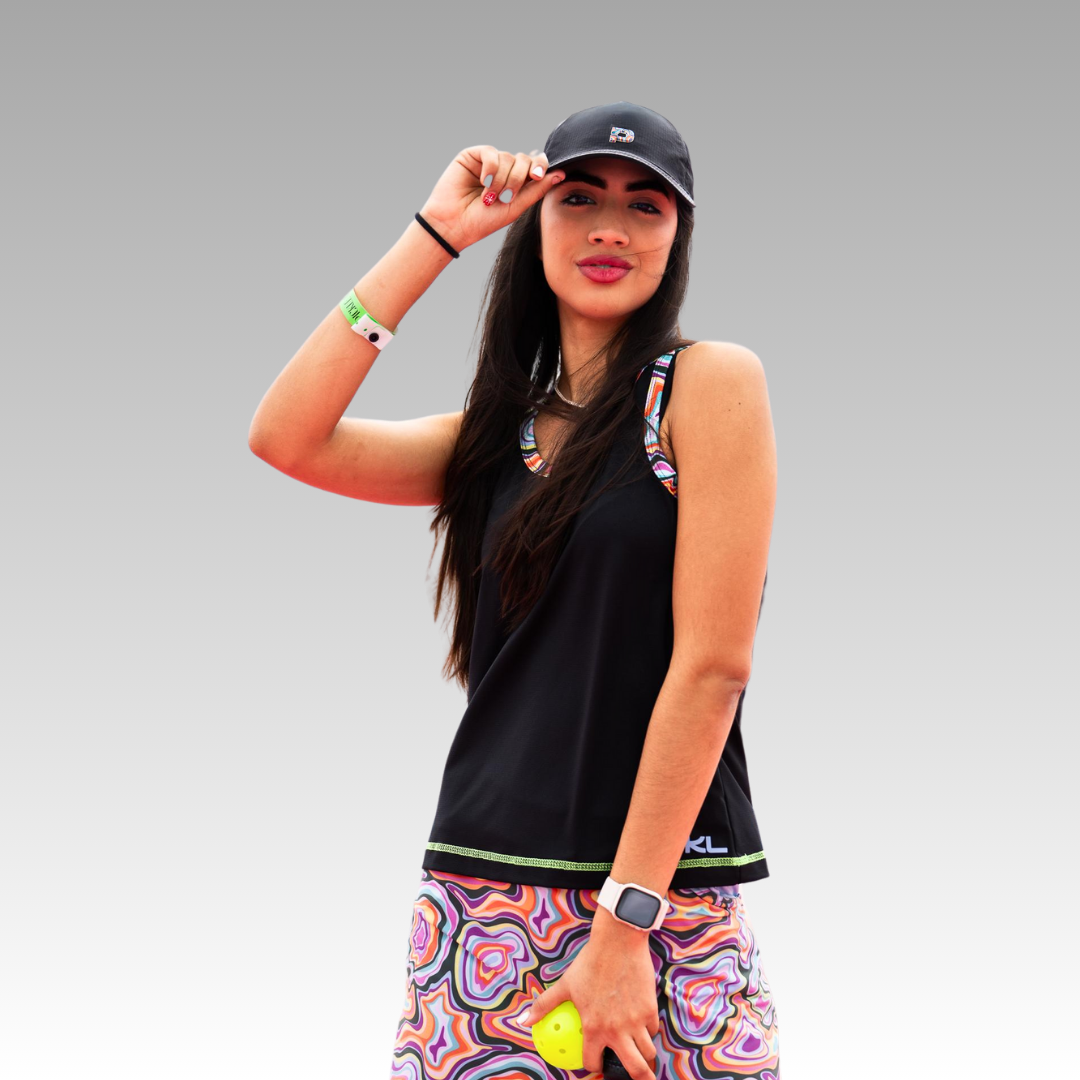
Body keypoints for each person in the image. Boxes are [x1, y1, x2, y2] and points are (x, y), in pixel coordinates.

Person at [249, 101, 779, 1080]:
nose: (610, 228)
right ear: (535, 221)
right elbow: (288, 437)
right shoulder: (496, 440)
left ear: (680, 236)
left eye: (645, 206)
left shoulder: (705, 388)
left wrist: (624, 930)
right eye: (577, 199)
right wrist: (437, 235)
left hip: (655, 908)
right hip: (484, 901)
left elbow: (712, 668)